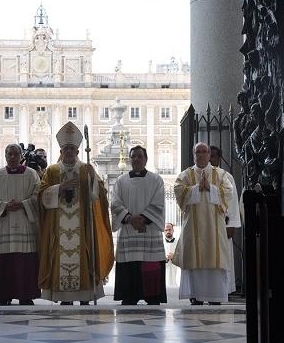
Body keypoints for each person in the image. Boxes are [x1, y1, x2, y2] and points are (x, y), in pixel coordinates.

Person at [38, 121, 114, 305]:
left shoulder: (86, 169)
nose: (69, 153)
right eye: (66, 150)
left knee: (85, 255)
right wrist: (59, 188)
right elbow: (41, 195)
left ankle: (85, 295)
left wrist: (92, 183)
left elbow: (99, 196)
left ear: (78, 152)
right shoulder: (52, 170)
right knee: (60, 253)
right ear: (61, 152)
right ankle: (64, 298)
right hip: (58, 227)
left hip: (83, 227)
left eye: (72, 149)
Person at [173, 142, 241, 305]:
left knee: (215, 259)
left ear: (209, 154)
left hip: (215, 228)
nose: (201, 155)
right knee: (194, 260)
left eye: (204, 152)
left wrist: (210, 187)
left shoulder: (221, 175)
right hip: (192, 227)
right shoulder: (185, 175)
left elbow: (228, 194)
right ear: (193, 154)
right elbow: (179, 193)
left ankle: (215, 296)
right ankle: (195, 295)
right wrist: (197, 188)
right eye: (198, 152)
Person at [0, 144, 41, 306]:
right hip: (4, 223)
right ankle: (3, 294)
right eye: (9, 154)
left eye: (16, 154)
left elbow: (38, 195)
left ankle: (25, 294)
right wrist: (4, 206)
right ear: (5, 155)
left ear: (21, 156)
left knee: (25, 261)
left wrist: (24, 204)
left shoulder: (32, 175)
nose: (13, 157)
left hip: (24, 222)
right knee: (4, 261)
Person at [110, 145, 167, 305]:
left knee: (150, 264)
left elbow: (159, 202)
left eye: (140, 156)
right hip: (129, 229)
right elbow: (115, 202)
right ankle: (129, 295)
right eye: (133, 156)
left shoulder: (156, 180)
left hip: (149, 231)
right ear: (129, 159)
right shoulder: (121, 181)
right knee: (130, 267)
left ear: (146, 159)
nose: (136, 159)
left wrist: (143, 219)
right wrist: (130, 219)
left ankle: (152, 296)